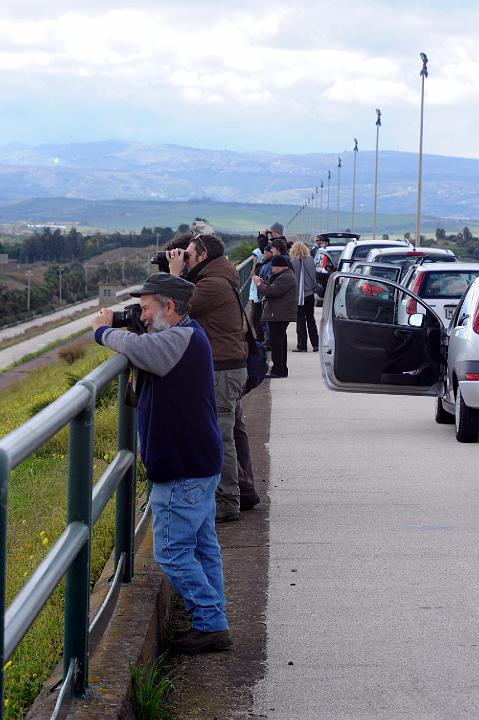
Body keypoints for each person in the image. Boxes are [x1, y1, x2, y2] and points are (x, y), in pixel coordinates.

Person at [91, 272, 231, 655]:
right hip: (197, 459)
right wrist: (133, 324)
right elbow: (145, 345)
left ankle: (211, 621)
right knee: (203, 547)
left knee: (170, 550)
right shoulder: (185, 334)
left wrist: (103, 330)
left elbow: (139, 349)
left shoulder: (177, 340)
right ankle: (211, 618)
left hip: (183, 465)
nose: (142, 314)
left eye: (147, 307)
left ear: (169, 307)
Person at [168, 234, 260, 522]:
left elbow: (175, 310)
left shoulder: (211, 284)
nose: (185, 258)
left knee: (222, 436)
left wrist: (174, 276)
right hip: (229, 365)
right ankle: (244, 491)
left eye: (189, 254)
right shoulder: (220, 275)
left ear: (203, 255)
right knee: (234, 430)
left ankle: (227, 501)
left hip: (223, 368)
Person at [252, 255, 297, 378]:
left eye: (274, 267)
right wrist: (262, 282)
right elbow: (274, 287)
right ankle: (281, 369)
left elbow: (272, 291)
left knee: (276, 342)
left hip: (279, 314)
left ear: (281, 267)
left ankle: (278, 370)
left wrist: (259, 284)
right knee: (279, 341)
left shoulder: (286, 277)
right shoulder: (285, 275)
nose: (272, 269)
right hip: (280, 313)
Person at [290, 241, 319, 352]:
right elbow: (313, 277)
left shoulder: (292, 262)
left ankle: (302, 345)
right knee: (310, 319)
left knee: (300, 320)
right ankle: (316, 344)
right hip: (309, 294)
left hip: (298, 295)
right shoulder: (311, 260)